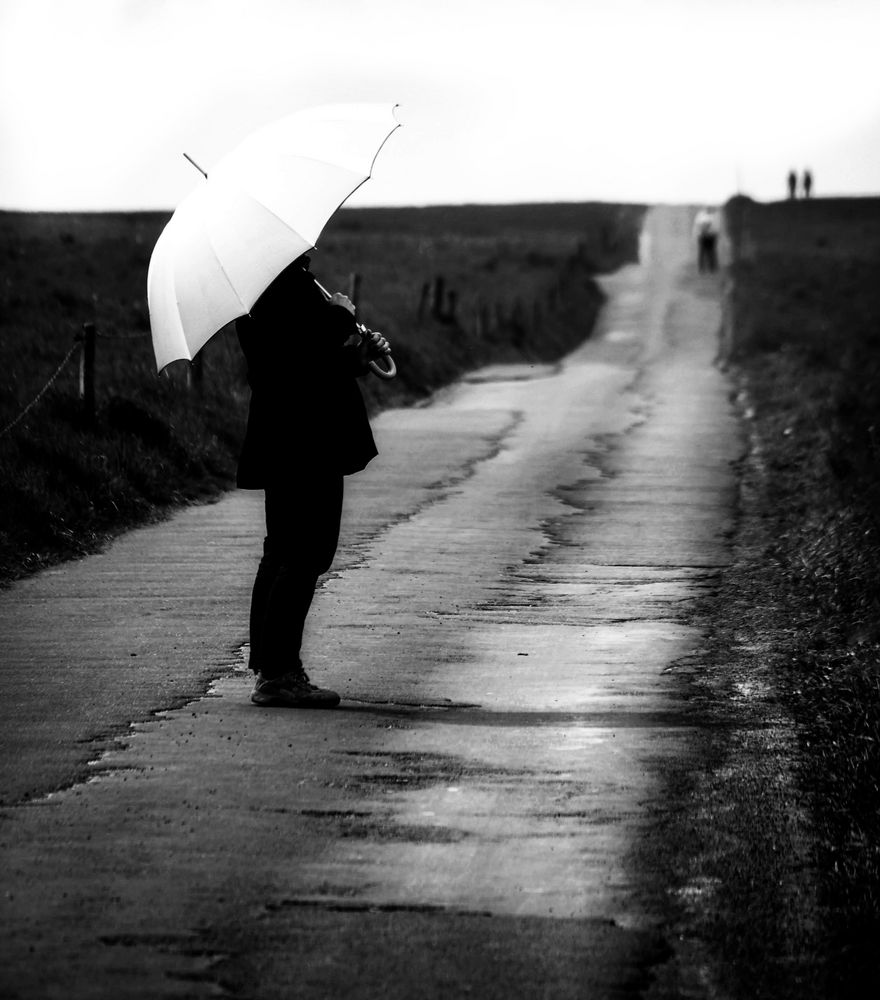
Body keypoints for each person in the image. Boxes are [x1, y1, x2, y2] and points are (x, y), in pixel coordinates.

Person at [236, 254, 391, 708]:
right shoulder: (283, 287)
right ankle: (279, 673)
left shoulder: (259, 285)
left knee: (283, 549)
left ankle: (270, 667)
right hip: (305, 440)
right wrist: (341, 312)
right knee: (305, 551)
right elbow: (300, 355)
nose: (312, 247)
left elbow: (305, 365)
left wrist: (356, 358)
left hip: (285, 436)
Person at [693, 206, 720, 273]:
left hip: (711, 236)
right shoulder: (701, 215)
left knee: (711, 252)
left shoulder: (714, 215)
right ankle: (701, 268)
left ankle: (712, 268)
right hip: (702, 236)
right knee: (702, 253)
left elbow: (716, 227)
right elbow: (697, 226)